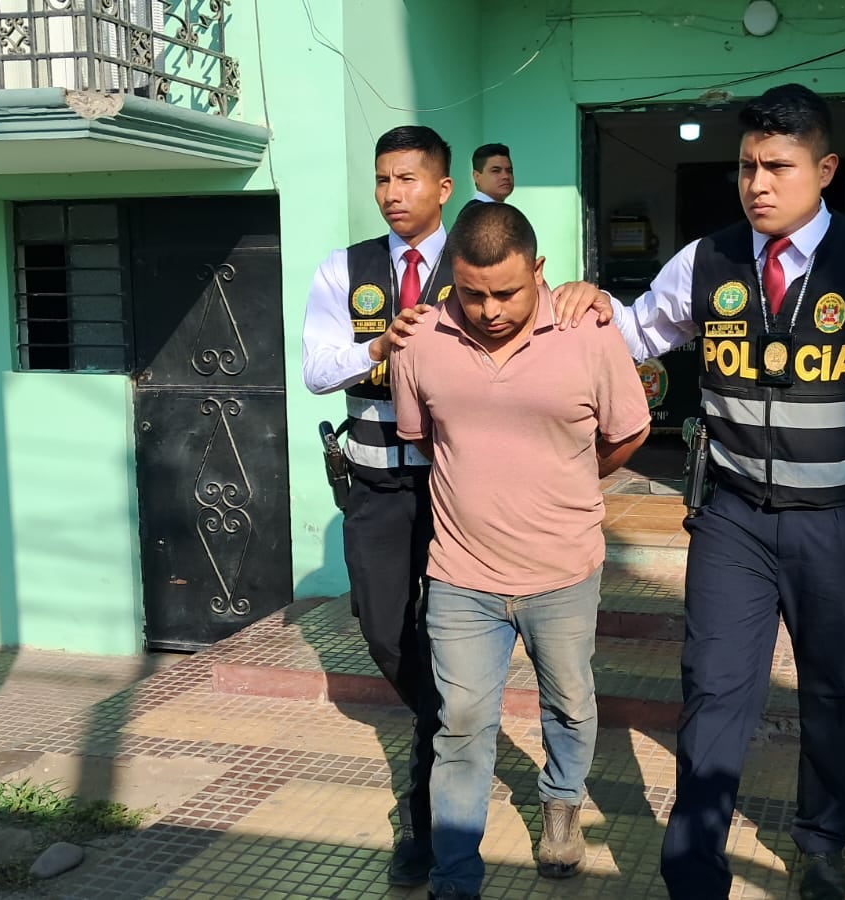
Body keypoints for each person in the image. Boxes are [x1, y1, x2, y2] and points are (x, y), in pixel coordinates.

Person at [556, 83, 845, 900]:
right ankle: (694, 869)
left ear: (825, 169)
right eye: (748, 166)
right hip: (733, 518)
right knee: (714, 688)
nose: (757, 183)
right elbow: (638, 332)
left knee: (833, 687)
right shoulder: (706, 260)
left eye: (778, 166)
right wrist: (589, 304)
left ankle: (821, 846)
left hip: (840, 522)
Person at [389, 202, 652, 900]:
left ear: (538, 269)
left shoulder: (587, 331)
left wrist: (572, 479)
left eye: (506, 292)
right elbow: (426, 439)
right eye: (472, 293)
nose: (489, 310)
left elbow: (629, 430)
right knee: (460, 723)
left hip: (562, 570)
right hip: (461, 574)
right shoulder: (421, 339)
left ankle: (561, 803)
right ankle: (454, 878)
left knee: (570, 703)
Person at [300, 124, 457, 887]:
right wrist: (376, 348)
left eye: (408, 179)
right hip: (375, 488)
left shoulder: (476, 262)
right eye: (383, 179)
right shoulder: (346, 269)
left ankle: (424, 809)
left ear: (443, 188)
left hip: (457, 487)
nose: (392, 193)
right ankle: (444, 722)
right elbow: (316, 370)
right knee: (383, 630)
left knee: (452, 634)